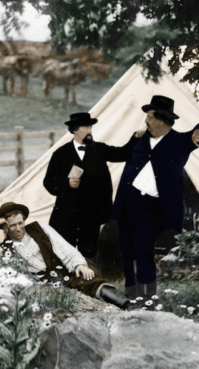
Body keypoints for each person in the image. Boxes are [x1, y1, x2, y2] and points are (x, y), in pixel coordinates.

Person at [111, 95, 199, 303]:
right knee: (127, 248)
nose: (146, 120)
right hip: (129, 201)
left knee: (142, 247)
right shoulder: (139, 138)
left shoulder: (181, 142)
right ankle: (130, 294)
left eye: (149, 117)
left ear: (162, 120)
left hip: (152, 207)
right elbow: (121, 154)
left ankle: (148, 296)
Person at [0, 202, 130, 308]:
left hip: (64, 270)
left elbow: (63, 247)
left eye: (20, 223)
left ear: (24, 221)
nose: (18, 229)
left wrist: (78, 264)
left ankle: (127, 305)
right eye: (13, 225)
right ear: (5, 226)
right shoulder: (2, 245)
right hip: (43, 285)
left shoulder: (39, 228)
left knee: (86, 277)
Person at [43, 111, 139, 259]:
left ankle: (88, 280)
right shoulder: (60, 154)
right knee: (63, 252)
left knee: (88, 253)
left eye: (90, 127)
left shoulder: (98, 150)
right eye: (84, 128)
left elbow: (122, 154)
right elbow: (48, 182)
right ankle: (67, 280)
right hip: (67, 214)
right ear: (74, 130)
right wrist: (66, 183)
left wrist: (135, 138)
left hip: (91, 214)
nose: (89, 131)